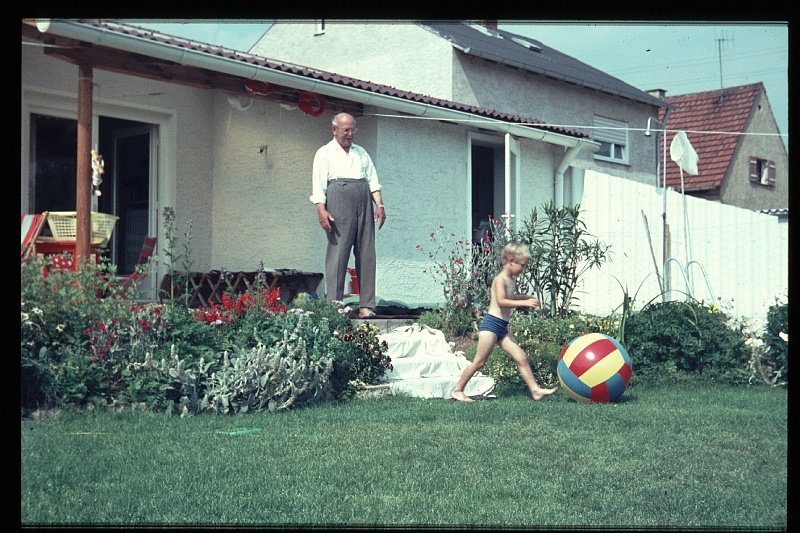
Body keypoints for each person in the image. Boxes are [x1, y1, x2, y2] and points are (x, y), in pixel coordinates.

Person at [451, 243, 558, 402]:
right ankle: (458, 390)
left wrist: (525, 298)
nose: (523, 269)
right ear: (511, 260)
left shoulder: (510, 281)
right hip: (491, 326)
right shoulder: (499, 279)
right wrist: (524, 304)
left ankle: (535, 390)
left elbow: (510, 297)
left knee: (521, 357)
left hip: (501, 327)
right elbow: (501, 301)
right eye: (522, 265)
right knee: (479, 362)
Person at [311, 113, 386, 318]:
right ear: (334, 130)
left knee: (366, 253)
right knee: (338, 253)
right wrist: (322, 211)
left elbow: (373, 181)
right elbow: (318, 186)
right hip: (338, 199)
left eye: (353, 129)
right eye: (346, 130)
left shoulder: (361, 153)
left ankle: (366, 306)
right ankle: (334, 306)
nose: (350, 134)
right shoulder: (324, 153)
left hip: (364, 200)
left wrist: (379, 205)